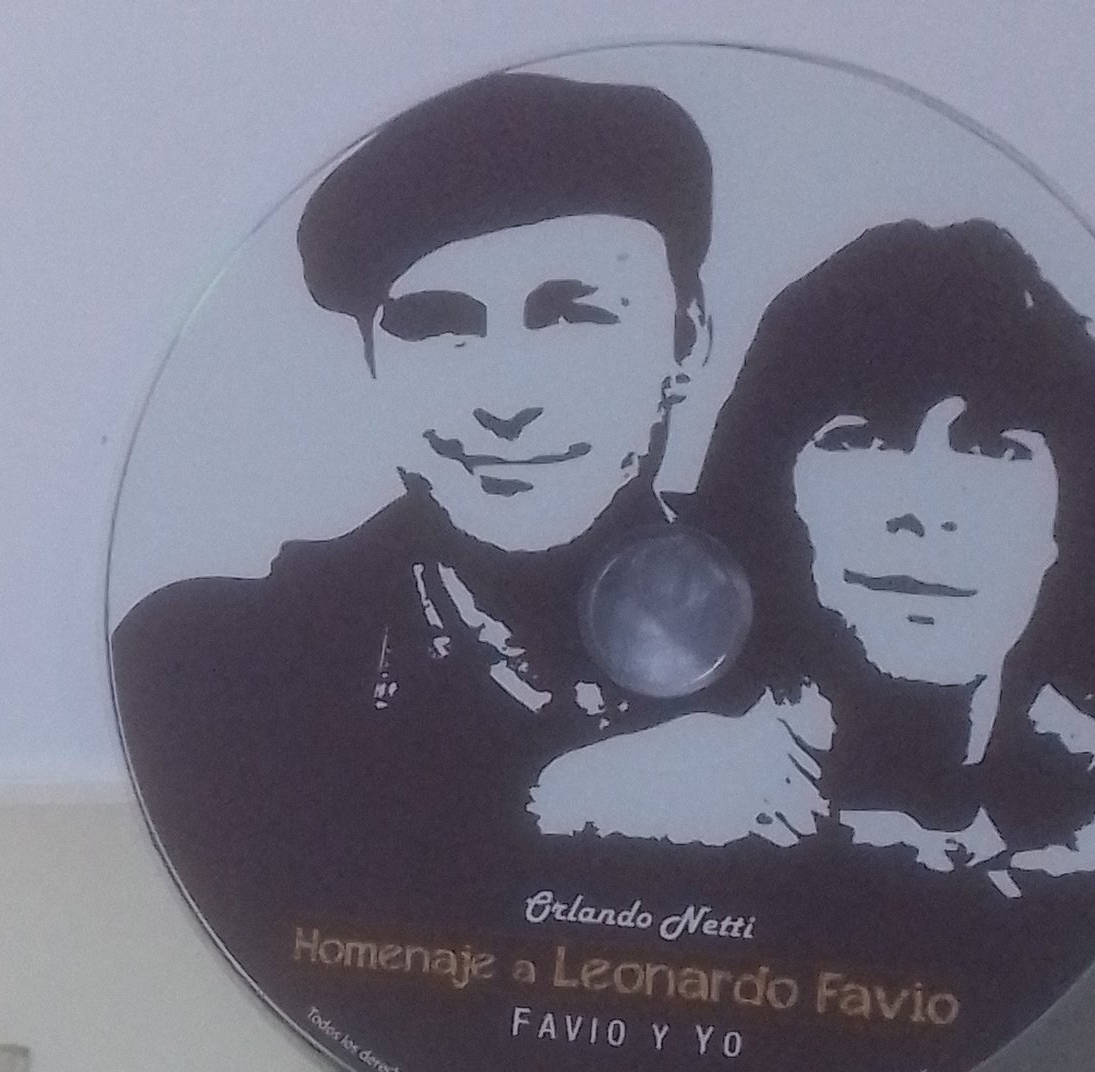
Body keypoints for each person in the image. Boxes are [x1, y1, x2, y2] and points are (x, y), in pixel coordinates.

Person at [111, 70, 716, 955]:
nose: (506, 401)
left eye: (572, 316)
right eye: (436, 326)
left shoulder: (843, 643)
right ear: (371, 362)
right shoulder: (212, 677)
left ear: (687, 340)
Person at [532, 218, 1095, 891]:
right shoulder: (625, 812)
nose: (927, 510)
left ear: (1064, 518)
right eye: (862, 440)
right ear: (775, 488)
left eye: (994, 447)